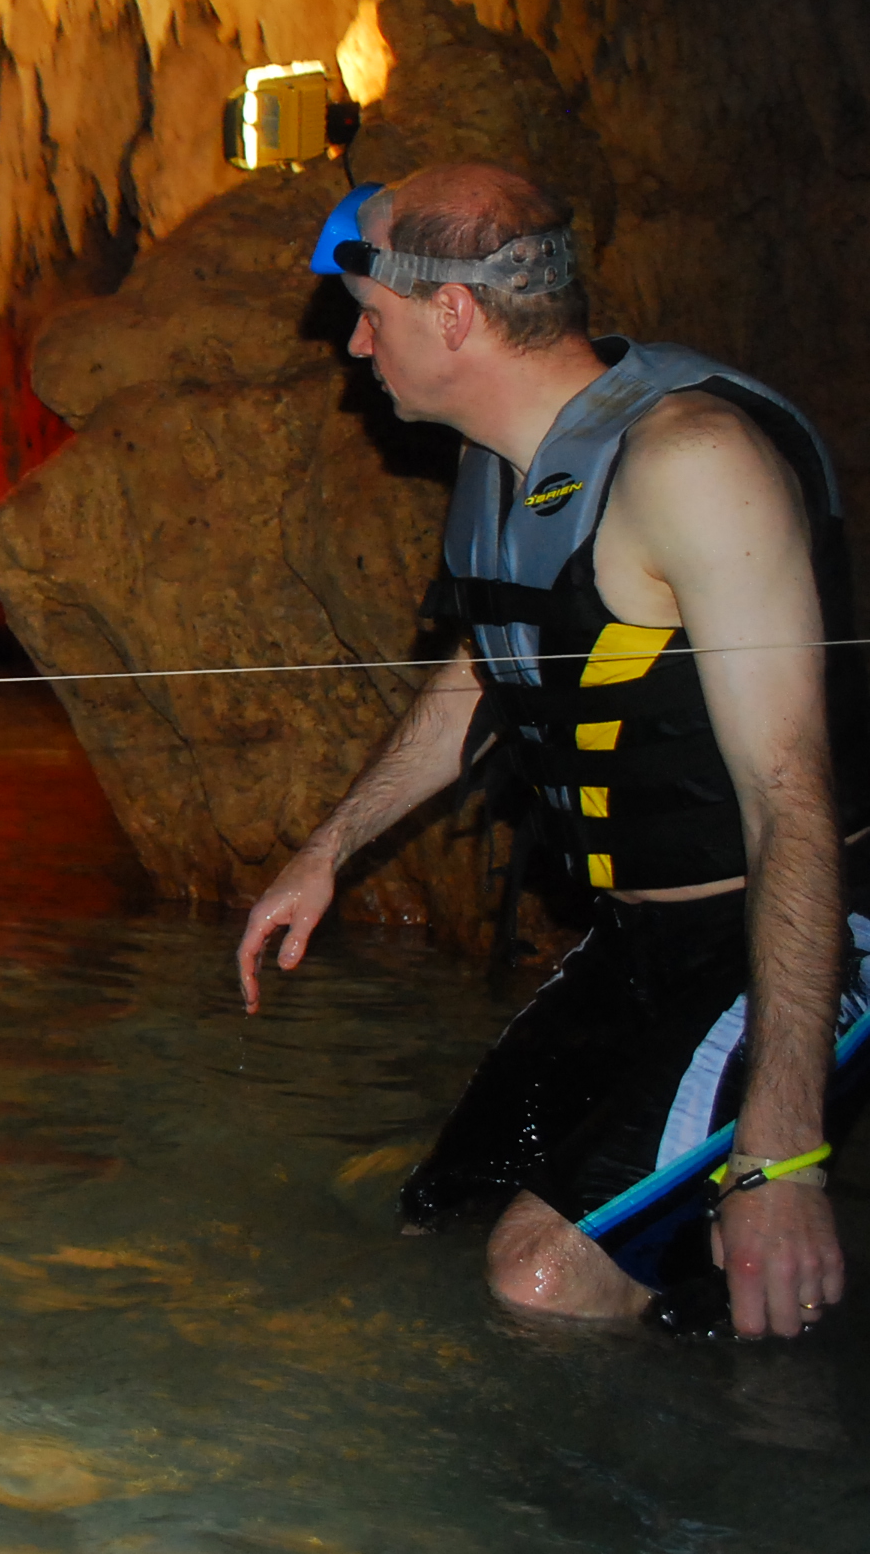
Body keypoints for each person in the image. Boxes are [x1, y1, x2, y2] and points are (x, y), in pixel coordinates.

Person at [234, 162, 870, 1339]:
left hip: (799, 932)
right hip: (638, 942)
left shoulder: (691, 465)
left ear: (451, 314)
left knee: (539, 1279)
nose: (356, 349)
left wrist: (783, 1160)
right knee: (447, 1213)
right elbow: (495, 667)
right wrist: (328, 849)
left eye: (368, 318)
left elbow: (791, 797)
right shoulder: (506, 461)